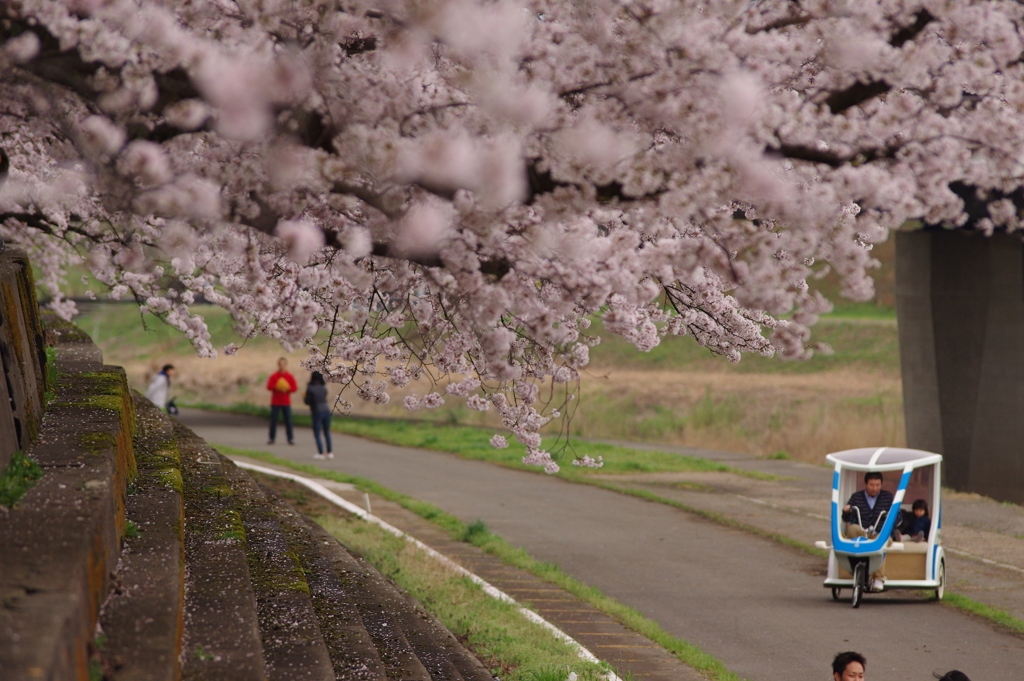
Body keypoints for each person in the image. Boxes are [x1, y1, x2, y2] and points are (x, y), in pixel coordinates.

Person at [842, 471, 894, 592]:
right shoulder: (857, 497)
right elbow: (846, 519)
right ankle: (858, 570)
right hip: (863, 531)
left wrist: (890, 518)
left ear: (881, 484)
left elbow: (898, 517)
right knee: (852, 529)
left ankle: (878, 578)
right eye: (871, 485)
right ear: (865, 484)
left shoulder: (888, 497)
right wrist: (846, 511)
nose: (874, 488)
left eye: (877, 485)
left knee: (880, 541)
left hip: (879, 532)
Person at [266, 357, 298, 445]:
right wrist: (277, 387)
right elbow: (269, 386)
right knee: (273, 420)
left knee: (288, 420)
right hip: (275, 401)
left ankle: (290, 438)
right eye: (280, 364)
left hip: (286, 402)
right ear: (278, 365)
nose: (282, 365)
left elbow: (294, 388)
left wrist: (287, 388)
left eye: (283, 364)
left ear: (286, 365)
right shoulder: (274, 376)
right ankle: (271, 438)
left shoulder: (289, 376)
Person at [303, 371, 333, 460]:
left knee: (317, 433)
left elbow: (308, 401)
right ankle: (330, 452)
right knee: (327, 432)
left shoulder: (310, 388)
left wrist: (304, 397)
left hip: (317, 411)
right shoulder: (324, 388)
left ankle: (321, 453)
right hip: (326, 410)